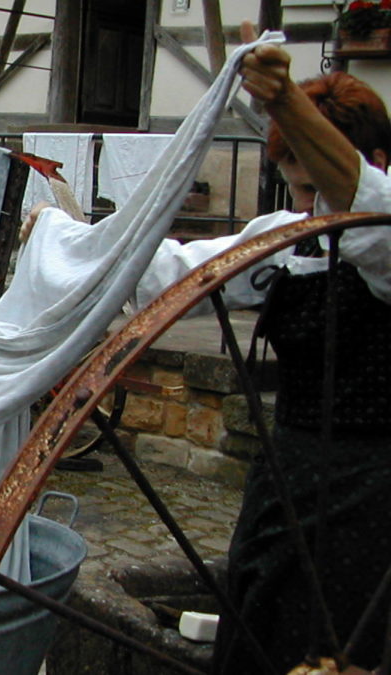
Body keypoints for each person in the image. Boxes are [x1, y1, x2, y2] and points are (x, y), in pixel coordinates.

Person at [138, 23, 391, 675]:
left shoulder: (384, 232)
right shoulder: (288, 237)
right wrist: (75, 236)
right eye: (294, 190)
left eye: (317, 190)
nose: (308, 209)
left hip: (374, 486)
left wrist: (287, 103)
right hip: (288, 472)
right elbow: (183, 271)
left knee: (346, 639)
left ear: (378, 162)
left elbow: (364, 212)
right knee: (262, 623)